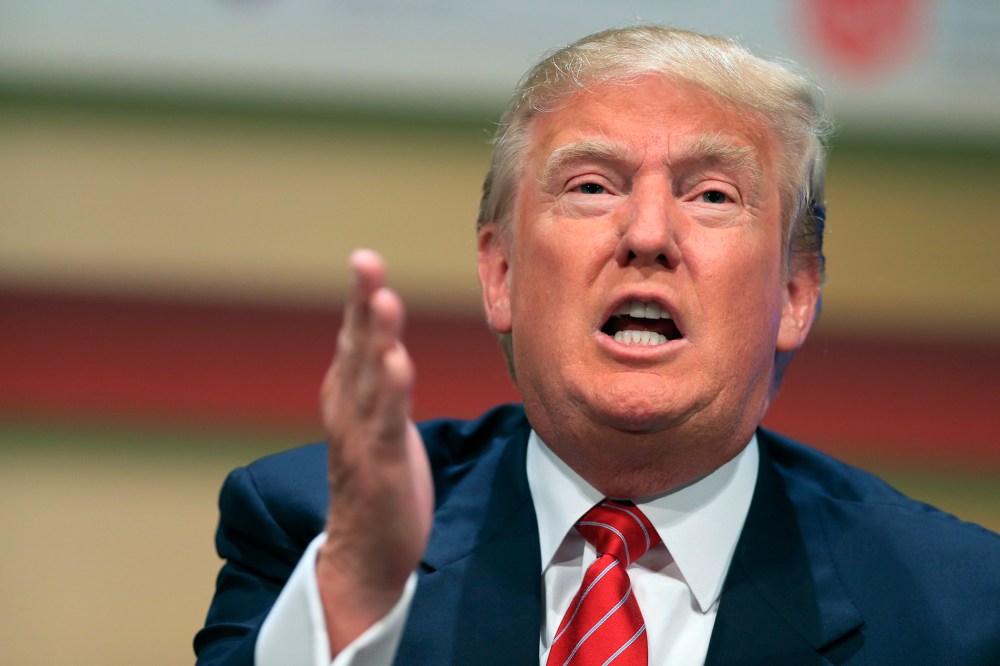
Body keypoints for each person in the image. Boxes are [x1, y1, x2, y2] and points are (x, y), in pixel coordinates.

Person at [194, 25, 1000, 665]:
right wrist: (355, 597)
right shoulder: (316, 530)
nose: (648, 234)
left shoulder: (961, 610)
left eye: (713, 195)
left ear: (795, 294)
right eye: (591, 187)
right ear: (500, 272)